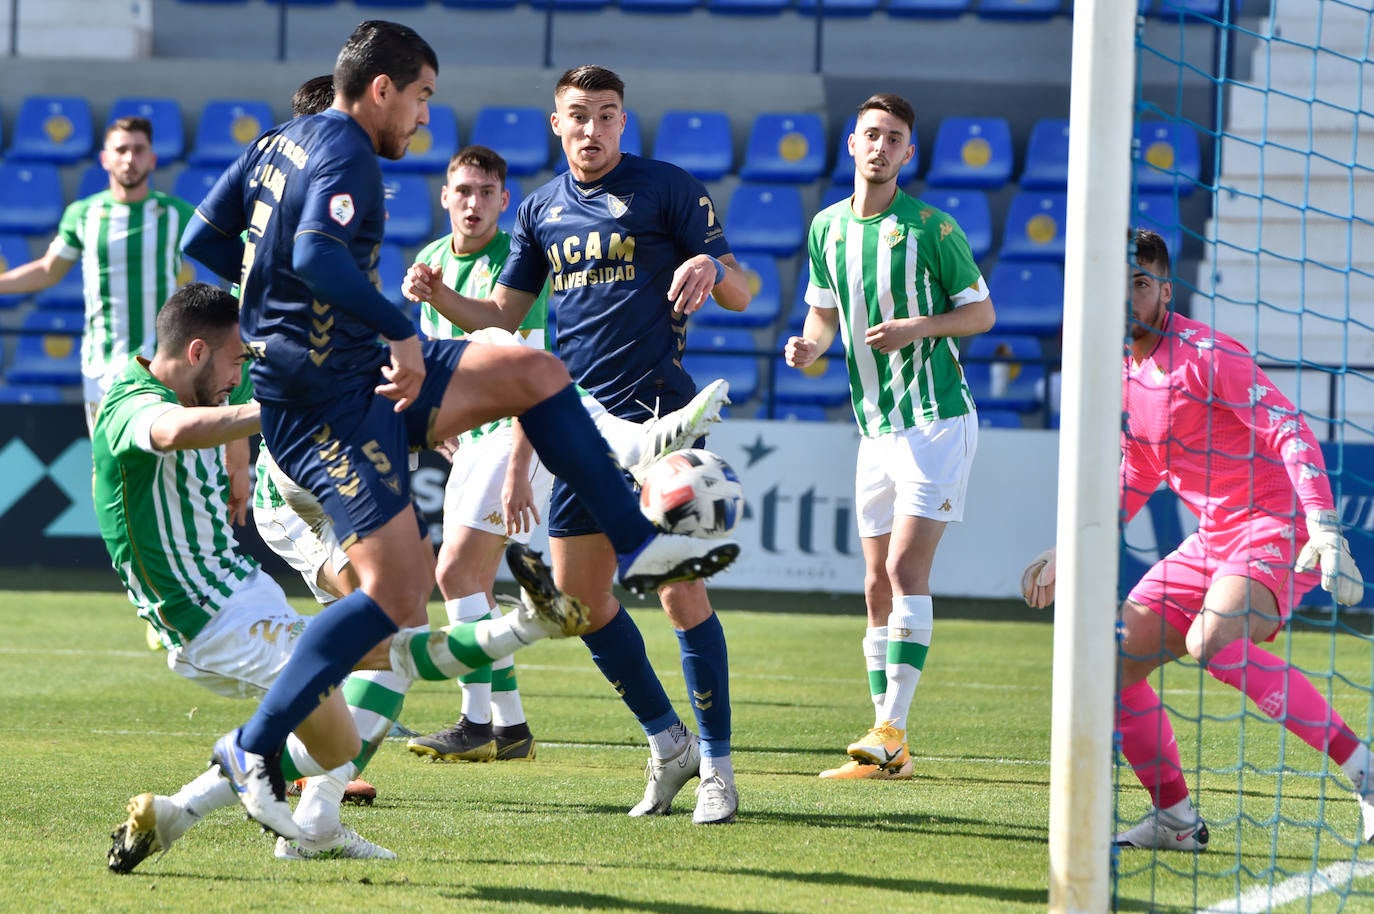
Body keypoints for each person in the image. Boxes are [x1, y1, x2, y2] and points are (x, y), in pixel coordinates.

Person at [180, 22, 737, 839]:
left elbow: (202, 238)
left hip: (358, 377)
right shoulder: (349, 152)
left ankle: (673, 684)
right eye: (421, 97)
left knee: (532, 376)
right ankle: (265, 752)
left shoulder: (274, 146)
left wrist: (276, 309)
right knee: (405, 594)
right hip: (340, 388)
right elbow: (320, 257)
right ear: (381, 89)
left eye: (606, 114)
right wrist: (394, 329)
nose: (424, 117)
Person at [95, 283, 588, 870]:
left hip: (247, 592)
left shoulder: (210, 379)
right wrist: (291, 410)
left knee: (348, 727)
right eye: (234, 363)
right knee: (393, 648)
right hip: (205, 618)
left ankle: (210, 815)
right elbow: (174, 431)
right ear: (197, 352)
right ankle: (530, 623)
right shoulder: (130, 402)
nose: (239, 376)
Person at [402, 64, 752, 825]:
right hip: (578, 428)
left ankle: (720, 767)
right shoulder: (538, 210)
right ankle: (669, 745)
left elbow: (742, 290)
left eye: (606, 114)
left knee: (679, 590)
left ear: (623, 121)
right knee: (584, 604)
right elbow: (502, 318)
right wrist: (441, 298)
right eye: (579, 115)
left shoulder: (667, 188)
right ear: (556, 123)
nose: (592, 128)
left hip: (660, 417)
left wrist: (710, 265)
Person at [1021, 227, 1372, 851]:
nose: (1126, 296)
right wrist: (1068, 546)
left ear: (1165, 290)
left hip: (1274, 526)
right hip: (1211, 541)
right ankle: (1177, 821)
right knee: (1103, 663)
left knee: (1212, 641)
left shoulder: (1207, 354)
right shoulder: (1120, 372)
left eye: (1140, 282)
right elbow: (1138, 471)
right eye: (1116, 282)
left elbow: (1289, 426)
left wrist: (1323, 524)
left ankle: (1366, 773)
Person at [784, 93, 995, 781]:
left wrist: (916, 328)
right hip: (874, 428)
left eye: (894, 137)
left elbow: (982, 314)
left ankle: (893, 731)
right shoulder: (826, 227)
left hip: (936, 420)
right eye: (870, 134)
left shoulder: (932, 228)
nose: (880, 146)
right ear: (852, 143)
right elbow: (823, 314)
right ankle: (887, 744)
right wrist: (810, 347)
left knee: (905, 571)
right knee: (876, 581)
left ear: (909, 152)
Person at [0, 116, 196, 433]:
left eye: (138, 150)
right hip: (101, 364)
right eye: (121, 150)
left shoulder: (176, 214)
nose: (129, 159)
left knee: (157, 453)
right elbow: (47, 271)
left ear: (152, 159)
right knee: (105, 456)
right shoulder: (83, 214)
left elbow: (222, 253)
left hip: (159, 361)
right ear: (105, 158)